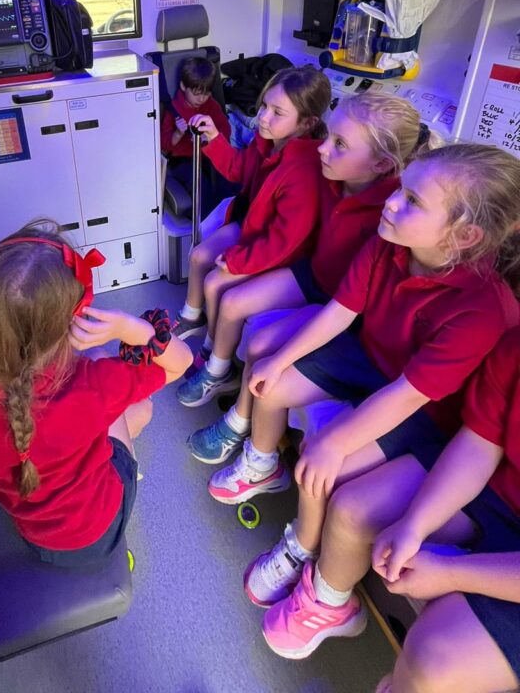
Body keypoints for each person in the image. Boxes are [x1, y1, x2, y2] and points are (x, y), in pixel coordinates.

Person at [210, 143, 520, 614]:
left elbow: (406, 396)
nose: (392, 202)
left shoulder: (483, 310)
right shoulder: (390, 240)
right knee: (269, 382)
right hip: (368, 356)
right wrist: (280, 359)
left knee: (321, 457)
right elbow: (340, 312)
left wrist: (335, 443)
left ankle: (303, 547)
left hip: (423, 410)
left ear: (463, 236)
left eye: (413, 201)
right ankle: (263, 464)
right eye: (401, 190)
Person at [258, 325, 520, 681]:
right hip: (501, 492)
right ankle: (330, 604)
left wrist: (453, 572)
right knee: (352, 509)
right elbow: (481, 442)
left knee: (433, 661)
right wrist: (416, 525)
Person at [0, 223, 192, 565]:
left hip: (34, 535)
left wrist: (5, 451)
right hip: (100, 528)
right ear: (72, 321)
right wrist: (132, 328)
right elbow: (181, 362)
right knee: (141, 410)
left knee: (111, 408)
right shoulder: (94, 383)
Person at [187, 93, 424, 464]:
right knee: (232, 300)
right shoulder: (328, 172)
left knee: (263, 344)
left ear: (381, 163)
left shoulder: (389, 216)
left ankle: (238, 424)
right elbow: (276, 193)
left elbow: (355, 303)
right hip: (312, 274)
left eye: (340, 144)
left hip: (341, 304)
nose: (322, 150)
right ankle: (217, 372)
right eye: (328, 136)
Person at [172, 65, 331, 407]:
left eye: (277, 113)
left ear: (306, 124)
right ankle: (199, 330)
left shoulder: (302, 172)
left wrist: (237, 260)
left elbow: (283, 243)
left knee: (217, 284)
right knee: (200, 255)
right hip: (255, 226)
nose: (262, 117)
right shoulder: (269, 146)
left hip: (280, 251)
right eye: (263, 107)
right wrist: (215, 138)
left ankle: (217, 365)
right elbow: (239, 169)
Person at [160, 56, 233, 218]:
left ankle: (228, 220)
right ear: (183, 86)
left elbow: (225, 130)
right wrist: (178, 134)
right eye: (196, 94)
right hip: (183, 161)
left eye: (206, 94)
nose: (201, 99)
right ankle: (206, 227)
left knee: (227, 180)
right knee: (201, 188)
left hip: (207, 156)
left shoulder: (211, 105)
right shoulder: (174, 110)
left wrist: (209, 138)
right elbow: (164, 145)